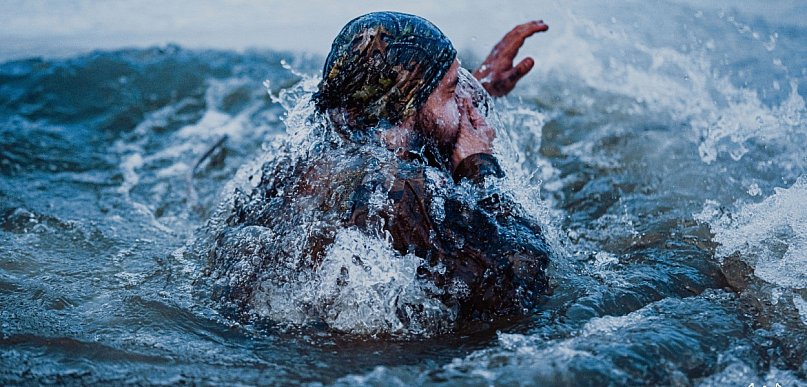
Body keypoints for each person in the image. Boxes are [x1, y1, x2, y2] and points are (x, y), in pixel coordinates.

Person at [202, 12, 553, 328]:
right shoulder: (399, 190)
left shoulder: (301, 162)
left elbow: (420, 119)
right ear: (405, 108)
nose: (466, 102)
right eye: (452, 90)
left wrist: (480, 89)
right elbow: (523, 282)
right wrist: (480, 166)